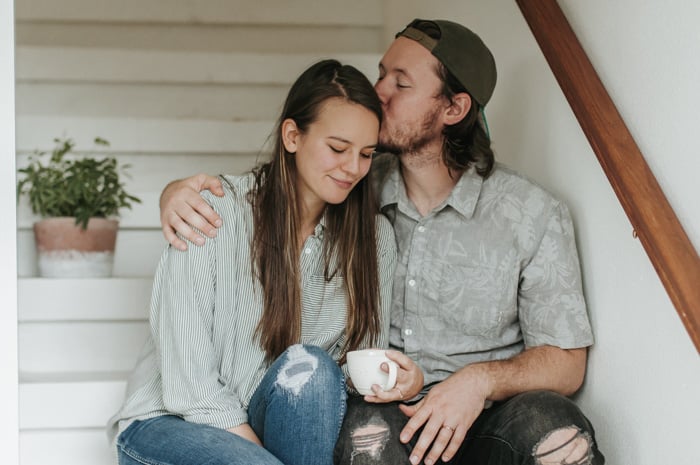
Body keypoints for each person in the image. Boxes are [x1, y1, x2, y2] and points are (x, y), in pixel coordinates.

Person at [158, 19, 605, 465]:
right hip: (387, 417)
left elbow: (566, 362)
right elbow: (282, 186)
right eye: (381, 74)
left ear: (453, 108)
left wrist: (477, 381)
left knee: (557, 430)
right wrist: (177, 193)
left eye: (401, 83)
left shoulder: (531, 212)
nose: (379, 92)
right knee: (367, 436)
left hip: (488, 416)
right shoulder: (352, 187)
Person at [107, 59, 398, 465]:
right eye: (337, 148)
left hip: (271, 433)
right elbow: (191, 385)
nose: (353, 168)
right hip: (170, 424)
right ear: (292, 136)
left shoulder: (374, 240)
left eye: (367, 154)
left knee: (311, 369)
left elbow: (355, 371)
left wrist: (399, 379)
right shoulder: (210, 212)